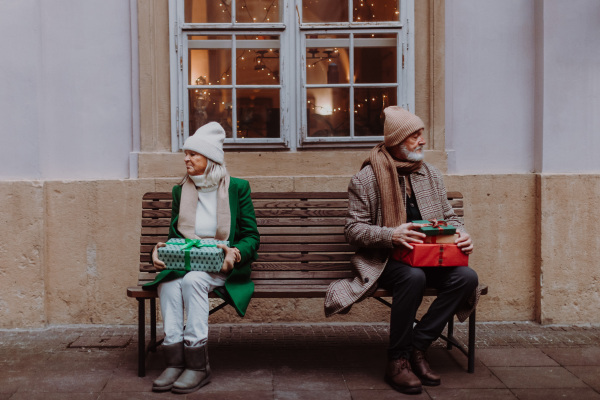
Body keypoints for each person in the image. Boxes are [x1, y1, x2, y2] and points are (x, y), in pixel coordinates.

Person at [324, 106, 478, 395]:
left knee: (467, 278)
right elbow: (353, 231)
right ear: (396, 141)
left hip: (432, 256)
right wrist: (391, 235)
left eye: (422, 134)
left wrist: (461, 233)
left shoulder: (429, 174)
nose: (422, 141)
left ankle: (418, 346)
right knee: (413, 278)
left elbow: (449, 217)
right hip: (385, 262)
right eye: (414, 136)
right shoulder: (366, 179)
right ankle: (397, 360)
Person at [144, 122, 260, 394]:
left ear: (210, 158)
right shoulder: (180, 190)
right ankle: (175, 361)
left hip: (221, 265)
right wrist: (160, 251)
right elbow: (175, 235)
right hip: (185, 264)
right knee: (169, 284)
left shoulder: (237, 188)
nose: (186, 158)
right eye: (186, 153)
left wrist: (235, 252)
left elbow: (252, 237)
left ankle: (198, 365)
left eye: (193, 154)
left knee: (193, 280)